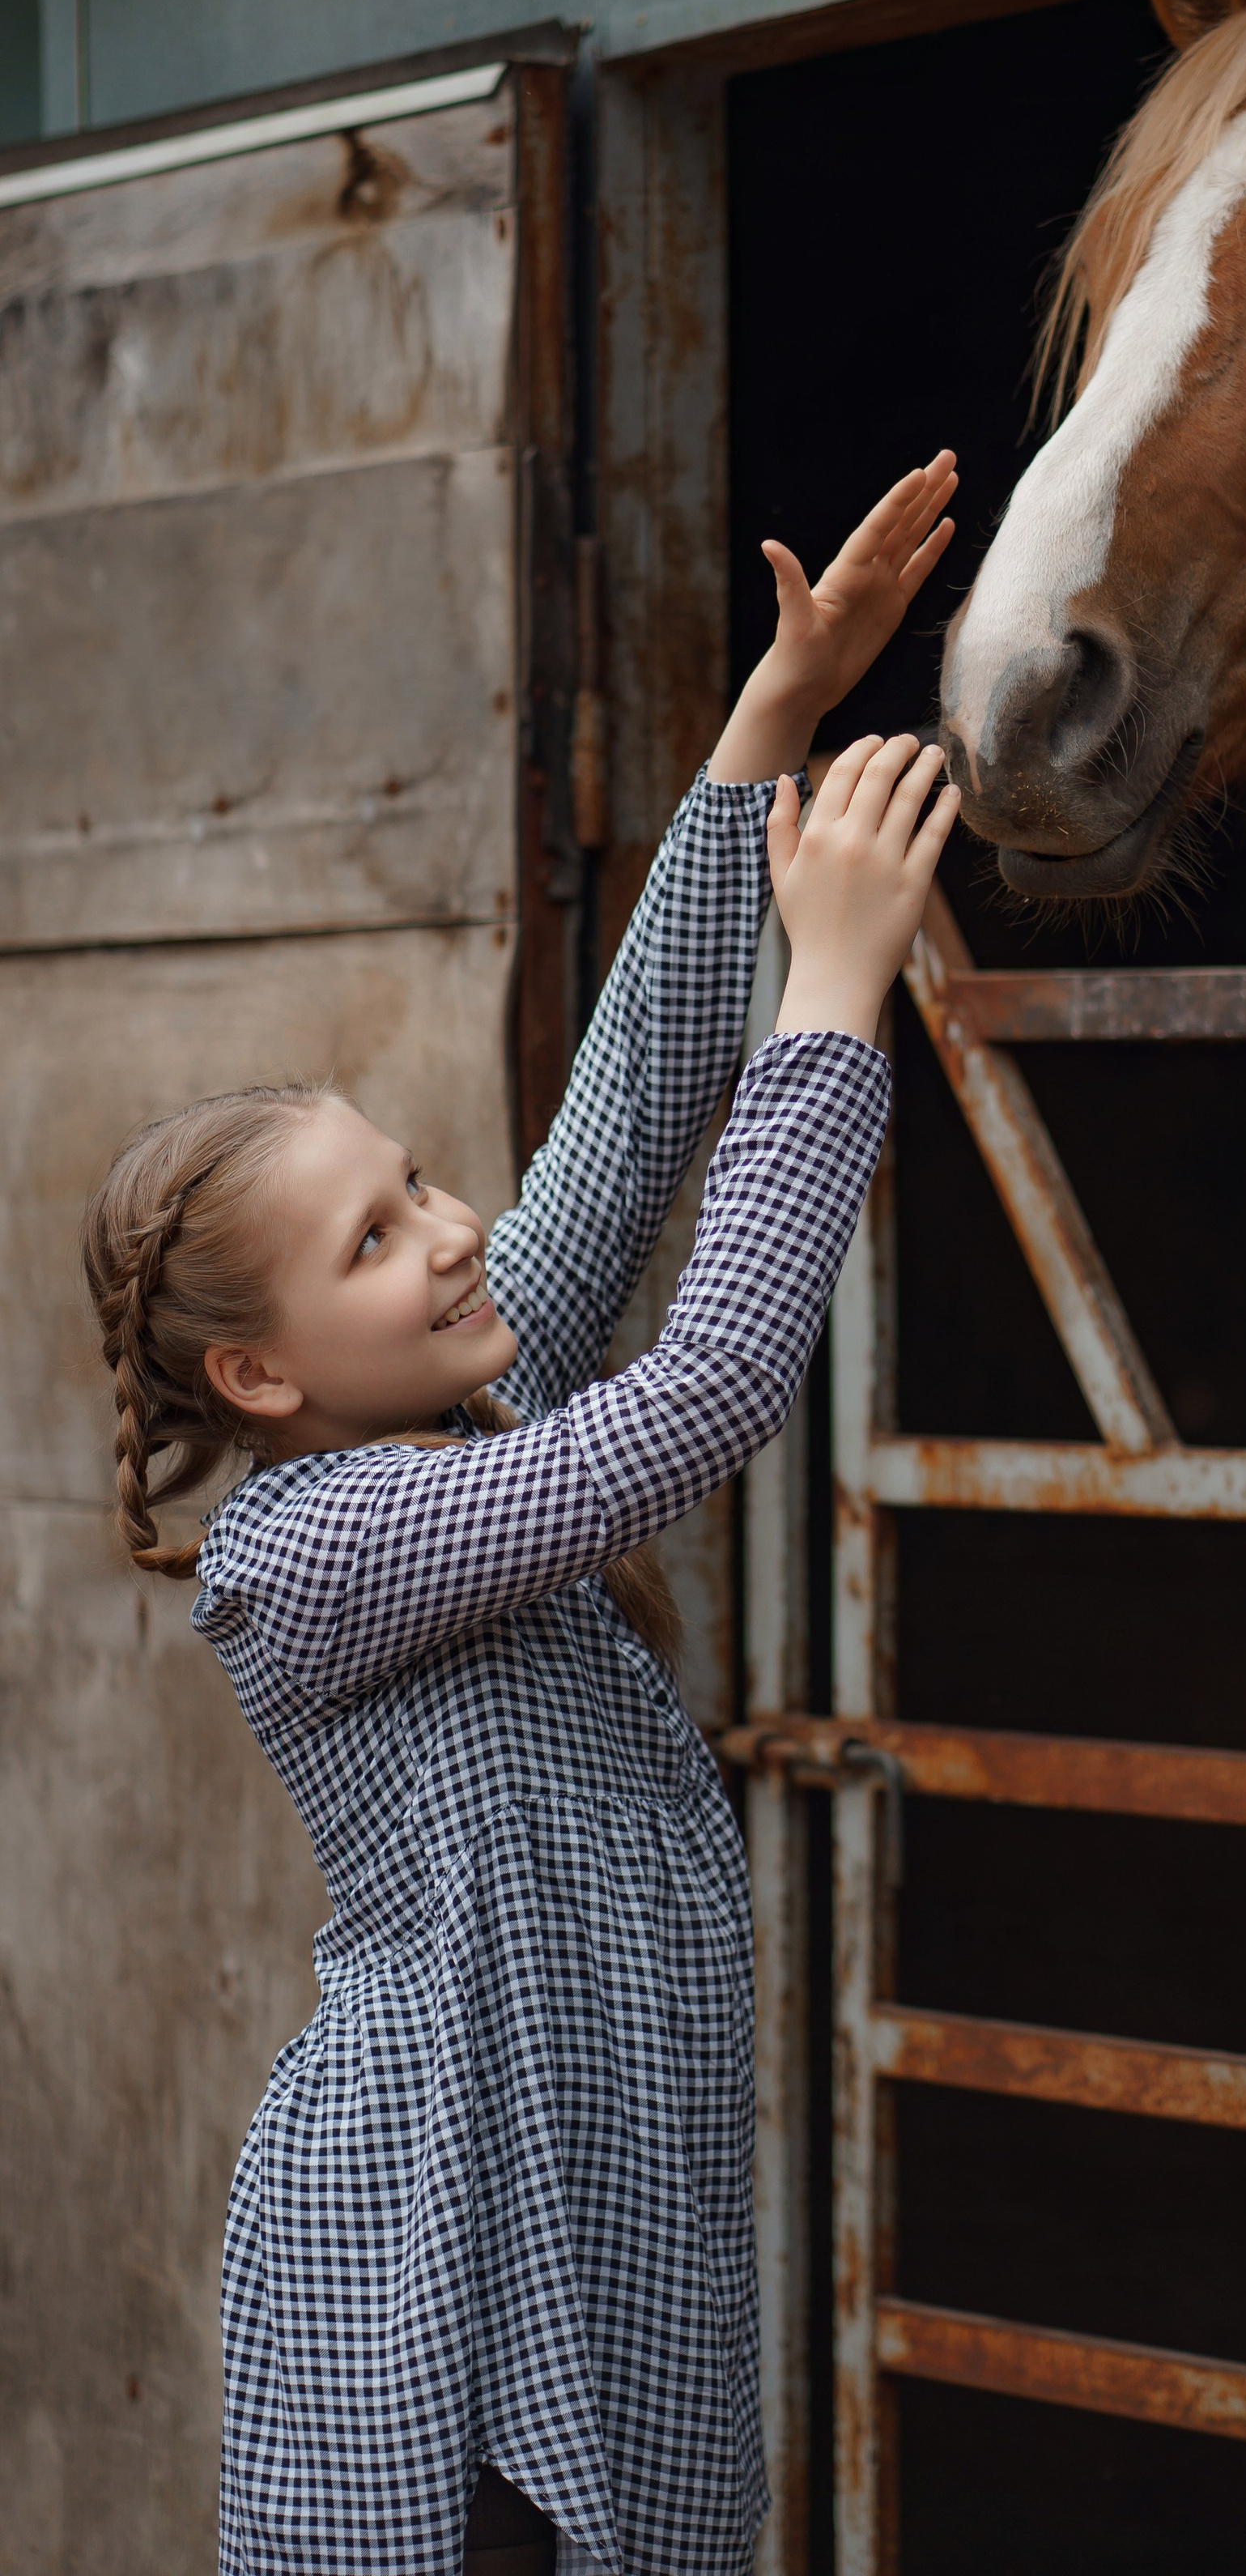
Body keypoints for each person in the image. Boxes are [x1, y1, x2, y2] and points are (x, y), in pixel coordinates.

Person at [79, 458, 962, 2576]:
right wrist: (834, 995)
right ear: (262, 1380)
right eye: (381, 1236)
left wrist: (775, 711)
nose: (457, 1231)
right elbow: (714, 1394)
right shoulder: (314, 1558)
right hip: (433, 2275)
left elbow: (636, 1104)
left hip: (572, 2211)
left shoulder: (470, 1417)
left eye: (420, 1177)